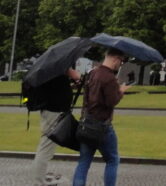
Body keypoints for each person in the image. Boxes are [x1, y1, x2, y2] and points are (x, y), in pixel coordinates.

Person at [72, 49, 128, 186]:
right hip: (102, 126)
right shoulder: (109, 78)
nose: (120, 65)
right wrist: (120, 91)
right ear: (115, 59)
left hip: (86, 123)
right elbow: (111, 102)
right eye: (121, 61)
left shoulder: (93, 72)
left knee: (84, 162)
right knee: (112, 160)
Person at [30, 66, 81, 186]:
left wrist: (71, 86)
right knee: (46, 147)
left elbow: (57, 88)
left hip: (53, 111)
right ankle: (39, 181)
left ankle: (40, 177)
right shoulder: (59, 68)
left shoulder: (52, 70)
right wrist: (74, 74)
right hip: (54, 112)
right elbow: (57, 89)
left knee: (46, 146)